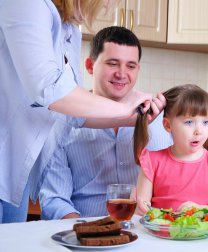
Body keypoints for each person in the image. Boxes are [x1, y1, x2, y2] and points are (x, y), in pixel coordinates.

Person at [0, 0, 164, 223]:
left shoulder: (70, 29)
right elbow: (48, 87)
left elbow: (69, 113)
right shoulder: (27, 4)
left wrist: (132, 118)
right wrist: (123, 107)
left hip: (13, 171)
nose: (107, 6)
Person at [38, 26, 173, 220]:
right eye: (112, 63)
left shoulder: (159, 121)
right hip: (82, 232)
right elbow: (55, 200)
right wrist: (86, 234)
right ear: (90, 66)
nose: (121, 73)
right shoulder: (64, 120)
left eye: (130, 66)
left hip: (144, 234)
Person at [134, 84, 208, 218]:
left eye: (205, 122)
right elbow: (142, 207)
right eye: (189, 122)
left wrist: (199, 210)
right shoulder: (151, 161)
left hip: (203, 237)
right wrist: (139, 205)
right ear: (168, 125)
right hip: (159, 236)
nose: (199, 131)